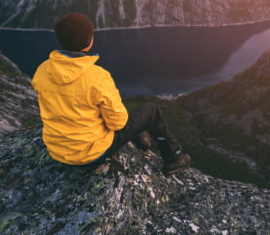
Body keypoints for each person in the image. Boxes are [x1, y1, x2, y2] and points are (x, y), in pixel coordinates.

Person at [32, 12, 191, 174]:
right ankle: (174, 158)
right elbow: (118, 123)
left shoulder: (43, 70)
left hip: (57, 150)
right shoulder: (97, 76)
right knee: (151, 111)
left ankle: (140, 136)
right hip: (91, 154)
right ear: (90, 41)